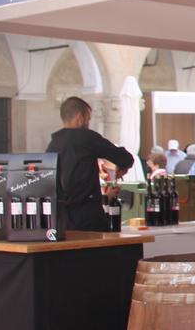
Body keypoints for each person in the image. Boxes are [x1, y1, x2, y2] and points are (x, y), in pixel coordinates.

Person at [45, 96, 134, 232]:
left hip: (61, 218)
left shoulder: (52, 145)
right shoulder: (86, 138)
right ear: (80, 117)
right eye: (88, 119)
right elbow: (124, 158)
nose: (88, 123)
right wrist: (122, 167)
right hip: (87, 217)